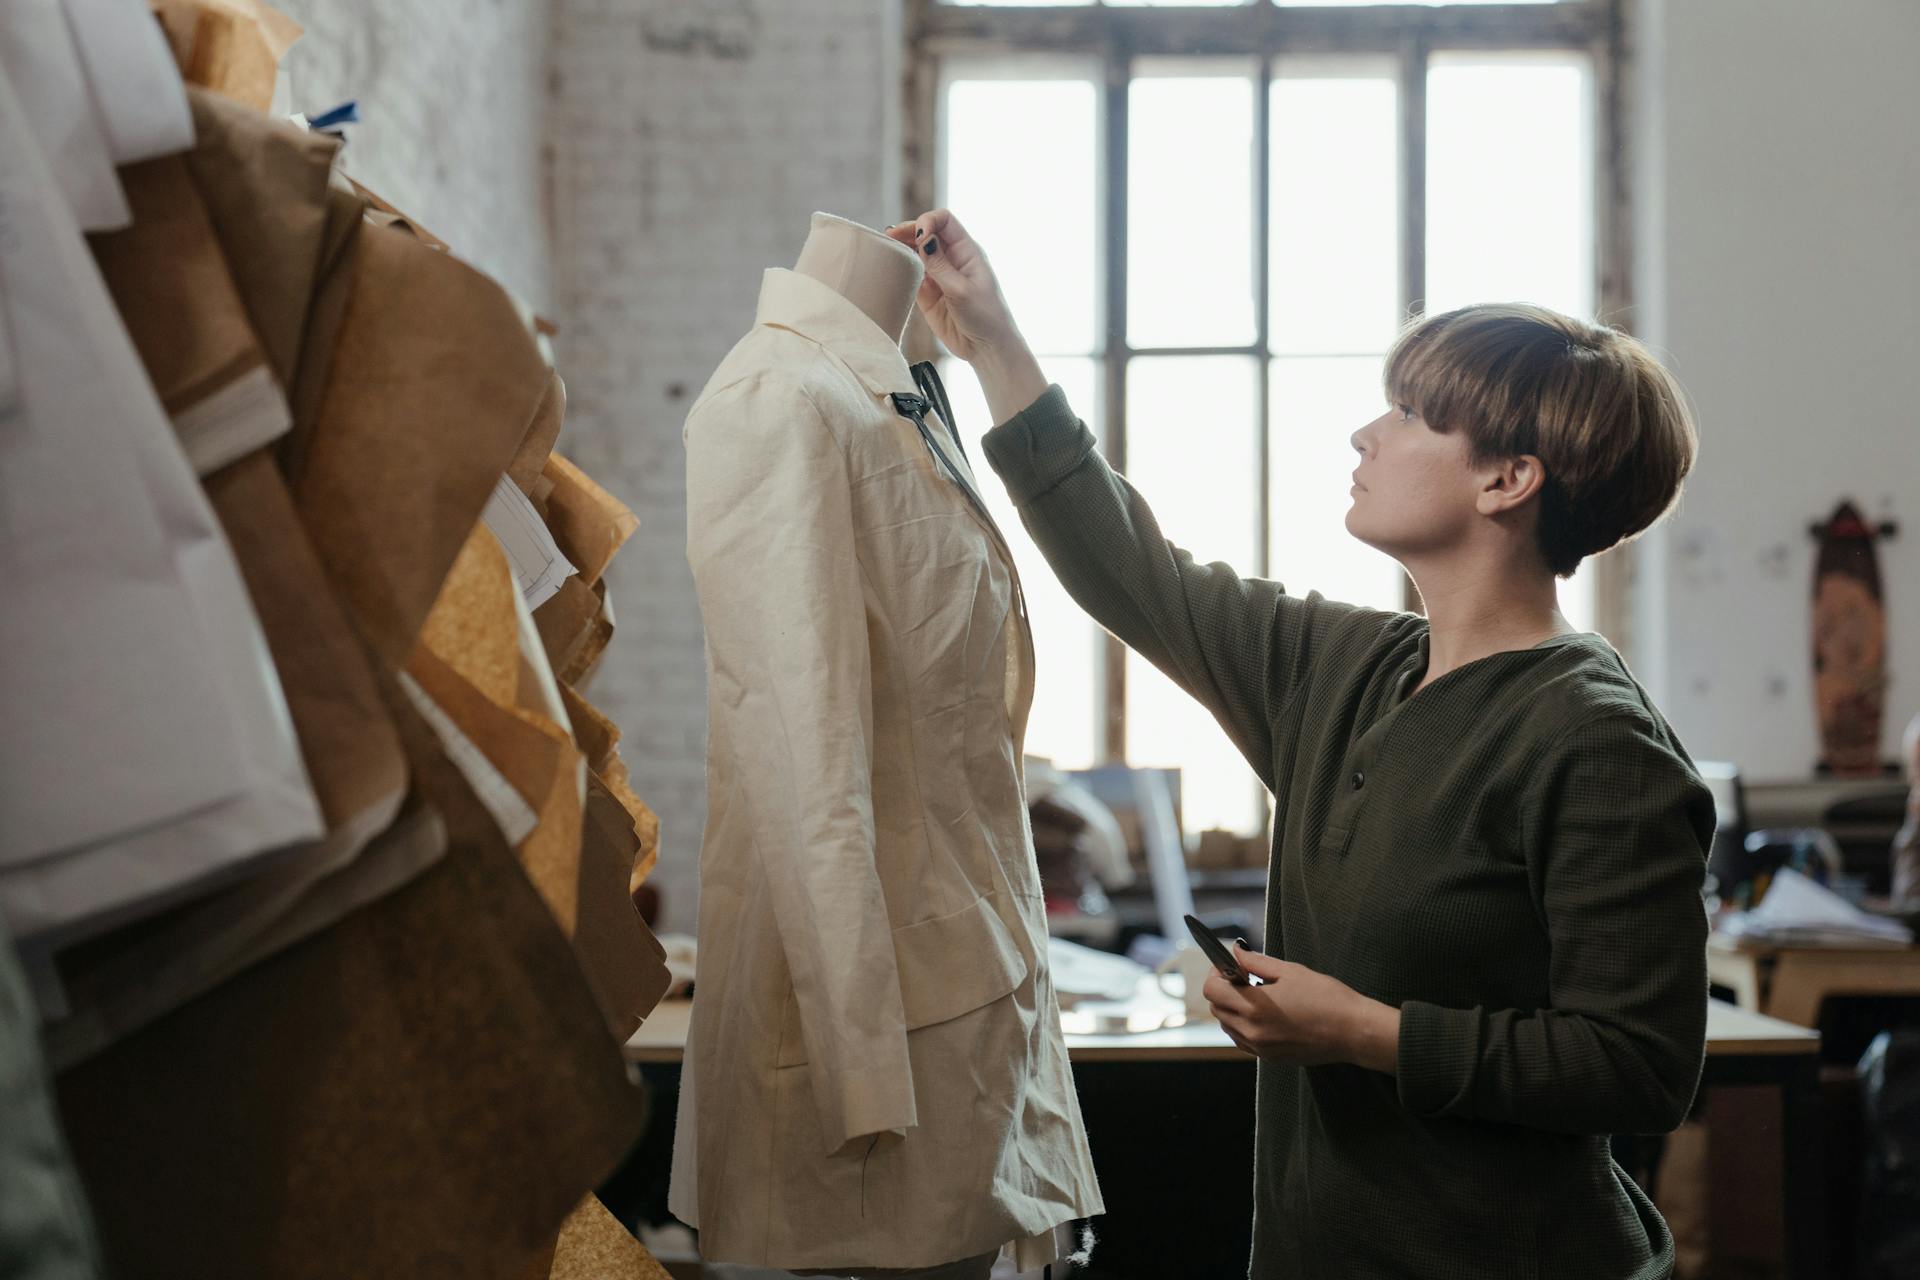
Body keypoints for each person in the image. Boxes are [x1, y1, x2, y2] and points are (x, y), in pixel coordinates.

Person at [887, 210, 1715, 1279]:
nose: (1367, 434)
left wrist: (1365, 1029)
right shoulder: (1347, 667)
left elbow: (1639, 1068)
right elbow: (1133, 570)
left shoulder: (1597, 739)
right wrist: (989, 335)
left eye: (1412, 414)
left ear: (1508, 478)